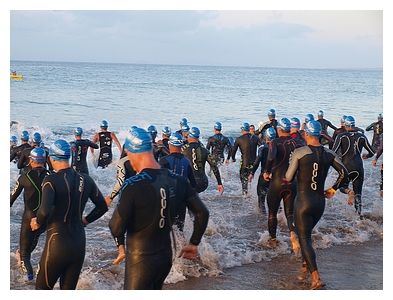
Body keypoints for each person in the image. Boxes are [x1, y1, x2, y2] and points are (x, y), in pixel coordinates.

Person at [108, 127, 209, 290]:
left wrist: (120, 245)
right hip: (165, 258)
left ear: (134, 153)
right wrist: (193, 243)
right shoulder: (178, 180)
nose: (129, 160)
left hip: (140, 261)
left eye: (128, 155)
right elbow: (202, 213)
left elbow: (116, 226)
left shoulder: (132, 185)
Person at [31, 139, 108, 289]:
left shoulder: (50, 180)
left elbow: (44, 210)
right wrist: (85, 220)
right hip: (79, 244)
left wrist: (37, 222)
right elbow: (102, 207)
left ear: (52, 158)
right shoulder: (86, 179)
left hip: (57, 244)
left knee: (41, 290)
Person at [284, 120, 352, 290]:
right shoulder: (329, 153)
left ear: (306, 134)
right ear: (320, 134)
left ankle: (316, 278)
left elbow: (289, 177)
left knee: (304, 238)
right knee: (306, 236)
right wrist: (334, 189)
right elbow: (345, 173)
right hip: (319, 203)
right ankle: (305, 268)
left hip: (303, 202)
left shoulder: (300, 152)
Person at [10, 148, 50, 281]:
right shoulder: (52, 177)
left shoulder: (24, 178)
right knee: (32, 243)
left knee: (24, 255)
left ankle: (29, 282)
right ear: (44, 161)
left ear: (31, 161)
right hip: (44, 220)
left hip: (29, 219)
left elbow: (10, 199)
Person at [263, 118, 301, 253]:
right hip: (292, 183)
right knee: (290, 213)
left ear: (279, 129)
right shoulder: (297, 142)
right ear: (289, 129)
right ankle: (293, 234)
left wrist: (267, 171)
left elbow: (271, 157)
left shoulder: (275, 142)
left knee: (272, 213)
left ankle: (273, 240)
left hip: (277, 182)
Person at [332, 116, 375, 217]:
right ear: (354, 125)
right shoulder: (361, 136)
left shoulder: (341, 136)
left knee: (342, 187)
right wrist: (367, 156)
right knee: (358, 193)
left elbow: (332, 152)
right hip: (359, 167)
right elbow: (372, 152)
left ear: (345, 125)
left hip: (346, 167)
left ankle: (349, 192)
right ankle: (358, 216)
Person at [159, 132, 197, 231]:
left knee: (164, 231)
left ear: (169, 145)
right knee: (180, 230)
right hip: (182, 201)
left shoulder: (163, 161)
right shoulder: (186, 161)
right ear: (181, 146)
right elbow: (193, 184)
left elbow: (157, 182)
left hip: (167, 201)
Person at [182, 127, 224, 194]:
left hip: (189, 182)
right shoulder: (205, 150)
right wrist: (219, 183)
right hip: (203, 183)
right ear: (198, 138)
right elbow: (214, 166)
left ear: (189, 136)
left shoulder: (183, 149)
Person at [248, 127, 276, 213]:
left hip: (264, 175)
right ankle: (279, 218)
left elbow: (257, 161)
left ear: (265, 137)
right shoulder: (279, 146)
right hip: (275, 177)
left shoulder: (263, 147)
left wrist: (252, 173)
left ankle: (263, 219)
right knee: (275, 200)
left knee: (261, 198)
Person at [231, 122, 256, 196]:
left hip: (244, 164)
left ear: (242, 129)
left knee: (244, 182)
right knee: (251, 179)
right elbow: (262, 147)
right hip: (254, 164)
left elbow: (233, 151)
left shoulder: (239, 139)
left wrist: (233, 159)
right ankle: (251, 195)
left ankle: (245, 196)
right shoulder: (255, 138)